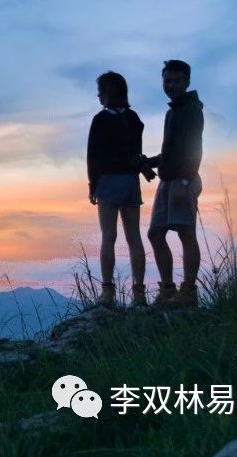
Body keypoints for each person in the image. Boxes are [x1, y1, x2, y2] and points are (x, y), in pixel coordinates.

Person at [143, 59, 205, 307]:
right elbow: (172, 153)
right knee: (156, 233)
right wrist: (148, 161)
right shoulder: (174, 111)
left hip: (181, 180)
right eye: (167, 80)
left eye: (177, 81)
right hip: (168, 180)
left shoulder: (191, 109)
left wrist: (184, 179)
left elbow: (194, 147)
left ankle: (188, 291)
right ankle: (168, 289)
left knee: (186, 232)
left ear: (187, 82)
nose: (171, 85)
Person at [87, 71, 149, 308]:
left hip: (109, 182)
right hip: (131, 183)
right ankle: (139, 293)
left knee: (108, 237)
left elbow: (93, 156)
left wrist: (93, 186)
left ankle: (108, 292)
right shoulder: (134, 119)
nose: (98, 95)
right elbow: (136, 154)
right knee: (134, 238)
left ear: (108, 92)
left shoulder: (100, 120)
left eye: (100, 91)